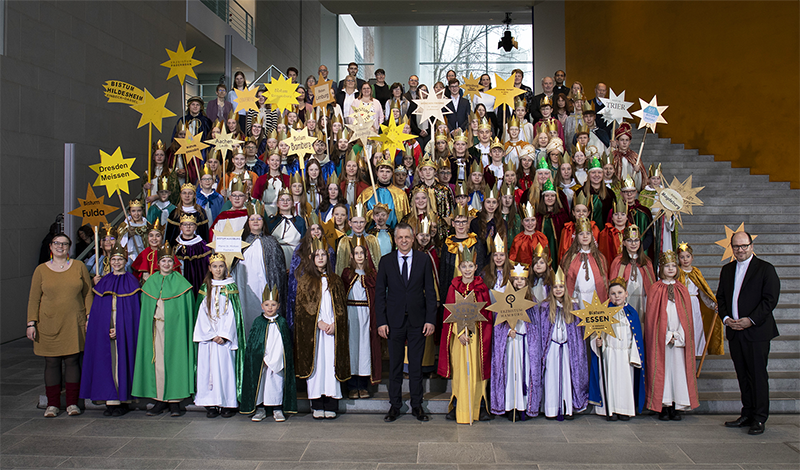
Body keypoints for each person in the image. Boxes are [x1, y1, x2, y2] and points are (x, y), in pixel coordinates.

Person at [717, 231, 781, 435]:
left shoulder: (765, 269)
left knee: (757, 375)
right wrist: (727, 319)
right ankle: (747, 413)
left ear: (752, 246)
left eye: (744, 245)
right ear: (731, 248)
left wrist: (750, 320)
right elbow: (721, 298)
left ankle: (760, 417)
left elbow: (770, 300)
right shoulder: (727, 270)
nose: (740, 250)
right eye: (736, 246)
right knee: (743, 375)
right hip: (735, 331)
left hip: (757, 332)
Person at [27, 233, 93, 417]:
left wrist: (89, 316)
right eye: (56, 243)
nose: (60, 246)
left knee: (72, 361)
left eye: (64, 244)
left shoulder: (79, 266)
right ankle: (52, 404)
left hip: (73, 321)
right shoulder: (41, 270)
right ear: (50, 246)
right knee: (52, 361)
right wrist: (31, 323)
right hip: (49, 322)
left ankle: (72, 403)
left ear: (69, 247)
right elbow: (34, 298)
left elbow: (87, 293)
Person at [132, 242, 195, 417]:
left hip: (176, 331)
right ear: (158, 263)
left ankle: (174, 401)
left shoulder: (182, 284)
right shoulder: (150, 282)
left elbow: (187, 312)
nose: (166, 264)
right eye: (163, 261)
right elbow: (145, 309)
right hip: (155, 328)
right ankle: (160, 399)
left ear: (174, 263)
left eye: (169, 261)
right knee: (158, 363)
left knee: (175, 362)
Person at [80, 241, 140, 417]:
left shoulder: (132, 281)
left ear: (125, 261)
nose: (116, 262)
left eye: (120, 259)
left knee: (122, 362)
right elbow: (99, 310)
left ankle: (123, 401)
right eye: (114, 259)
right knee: (107, 363)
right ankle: (110, 401)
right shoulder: (104, 281)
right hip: (105, 330)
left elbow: (133, 313)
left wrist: (120, 329)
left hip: (124, 330)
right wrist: (104, 328)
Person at [294, 239, 350, 419]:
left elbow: (341, 308)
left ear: (328, 257)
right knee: (317, 366)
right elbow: (302, 309)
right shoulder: (305, 281)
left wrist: (335, 324)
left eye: (323, 254)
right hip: (316, 332)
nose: (320, 258)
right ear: (312, 258)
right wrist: (318, 322)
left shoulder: (336, 280)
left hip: (332, 331)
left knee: (331, 365)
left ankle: (331, 403)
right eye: (317, 255)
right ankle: (317, 403)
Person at [438, 246, 494, 424]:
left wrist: (473, 329)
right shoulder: (453, 287)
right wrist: (459, 332)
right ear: (459, 268)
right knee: (461, 372)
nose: (467, 269)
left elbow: (486, 314)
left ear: (476, 267)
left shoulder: (481, 288)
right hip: (459, 338)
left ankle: (479, 407)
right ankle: (458, 406)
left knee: (476, 370)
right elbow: (449, 314)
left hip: (476, 337)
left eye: (470, 266)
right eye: (464, 266)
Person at [644, 250, 699, 421]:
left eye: (673, 266)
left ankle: (677, 404)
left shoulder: (682, 289)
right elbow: (652, 316)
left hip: (678, 340)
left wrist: (679, 335)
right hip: (662, 338)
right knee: (663, 371)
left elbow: (686, 316)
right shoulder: (655, 288)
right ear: (661, 268)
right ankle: (663, 405)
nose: (670, 269)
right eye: (667, 266)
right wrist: (666, 334)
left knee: (678, 371)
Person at [194, 254, 246, 418]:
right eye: (215, 266)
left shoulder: (231, 287)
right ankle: (210, 403)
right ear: (210, 268)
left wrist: (223, 335)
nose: (218, 270)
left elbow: (233, 314)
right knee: (207, 370)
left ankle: (227, 403)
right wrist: (211, 334)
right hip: (208, 340)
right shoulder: (205, 288)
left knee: (225, 370)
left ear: (226, 268)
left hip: (224, 340)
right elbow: (201, 314)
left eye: (221, 266)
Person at [490, 263, 542, 420]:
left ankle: (523, 406)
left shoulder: (531, 300)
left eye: (522, 279)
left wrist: (529, 335)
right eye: (516, 279)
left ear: (526, 281)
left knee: (524, 374)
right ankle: (510, 406)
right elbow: (498, 326)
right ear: (511, 281)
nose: (519, 281)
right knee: (510, 374)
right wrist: (507, 332)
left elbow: (535, 325)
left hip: (524, 343)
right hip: (510, 343)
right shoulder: (504, 299)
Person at [589, 278, 645, 421]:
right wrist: (597, 342)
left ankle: (624, 410)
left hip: (625, 354)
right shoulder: (603, 313)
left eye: (620, 292)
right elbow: (596, 333)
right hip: (610, 353)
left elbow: (636, 337)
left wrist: (634, 356)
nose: (617, 296)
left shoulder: (631, 313)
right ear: (609, 295)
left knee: (625, 383)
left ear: (626, 294)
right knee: (610, 382)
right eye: (613, 293)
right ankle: (611, 409)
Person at [239, 285, 297, 422]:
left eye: (273, 305)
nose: (270, 308)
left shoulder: (282, 322)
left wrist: (278, 358)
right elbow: (253, 345)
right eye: (267, 305)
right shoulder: (258, 322)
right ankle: (260, 409)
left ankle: (277, 409)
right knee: (261, 384)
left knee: (276, 384)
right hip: (262, 362)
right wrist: (261, 357)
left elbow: (285, 344)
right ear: (262, 306)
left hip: (278, 361)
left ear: (278, 306)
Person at [539, 266, 588, 420]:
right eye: (555, 287)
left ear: (565, 288)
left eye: (561, 287)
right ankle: (552, 409)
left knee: (567, 376)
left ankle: (567, 408)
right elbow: (543, 330)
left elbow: (577, 332)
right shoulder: (545, 307)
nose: (558, 290)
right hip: (552, 347)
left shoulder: (573, 306)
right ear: (551, 289)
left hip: (567, 347)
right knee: (551, 377)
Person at [232, 204, 288, 338]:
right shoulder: (240, 242)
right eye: (252, 219)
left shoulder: (272, 242)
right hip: (244, 287)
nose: (255, 221)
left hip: (264, 286)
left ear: (264, 222)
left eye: (259, 219)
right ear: (247, 223)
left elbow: (278, 271)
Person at [341, 237, 381, 399]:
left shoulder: (372, 275)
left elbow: (375, 297)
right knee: (352, 348)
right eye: (356, 253)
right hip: (351, 314)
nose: (359, 256)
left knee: (365, 349)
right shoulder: (346, 274)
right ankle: (352, 386)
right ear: (351, 255)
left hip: (366, 315)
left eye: (361, 253)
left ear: (366, 255)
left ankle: (363, 386)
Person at [677, 242, 724, 357]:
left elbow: (703, 292)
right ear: (678, 259)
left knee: (696, 327)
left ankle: (696, 352)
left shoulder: (696, 272)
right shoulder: (676, 272)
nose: (685, 259)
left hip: (693, 304)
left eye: (688, 256)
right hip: (680, 303)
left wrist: (712, 304)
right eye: (682, 257)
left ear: (692, 257)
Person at [609, 225, 656, 325]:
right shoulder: (618, 262)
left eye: (636, 240)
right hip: (625, 301)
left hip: (642, 301)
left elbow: (651, 286)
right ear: (624, 243)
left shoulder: (646, 262)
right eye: (629, 241)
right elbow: (613, 286)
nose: (633, 244)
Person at [561, 217, 608, 307]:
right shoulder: (569, 258)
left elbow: (603, 284)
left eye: (588, 233)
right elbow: (566, 281)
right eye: (581, 234)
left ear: (592, 236)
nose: (585, 236)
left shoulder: (599, 258)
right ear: (576, 237)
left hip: (595, 299)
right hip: (576, 299)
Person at [174, 213, 211, 295]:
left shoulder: (203, 247)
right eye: (185, 224)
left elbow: (206, 269)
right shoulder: (175, 245)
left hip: (196, 283)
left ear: (195, 227)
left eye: (191, 224)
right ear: (180, 227)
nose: (188, 227)